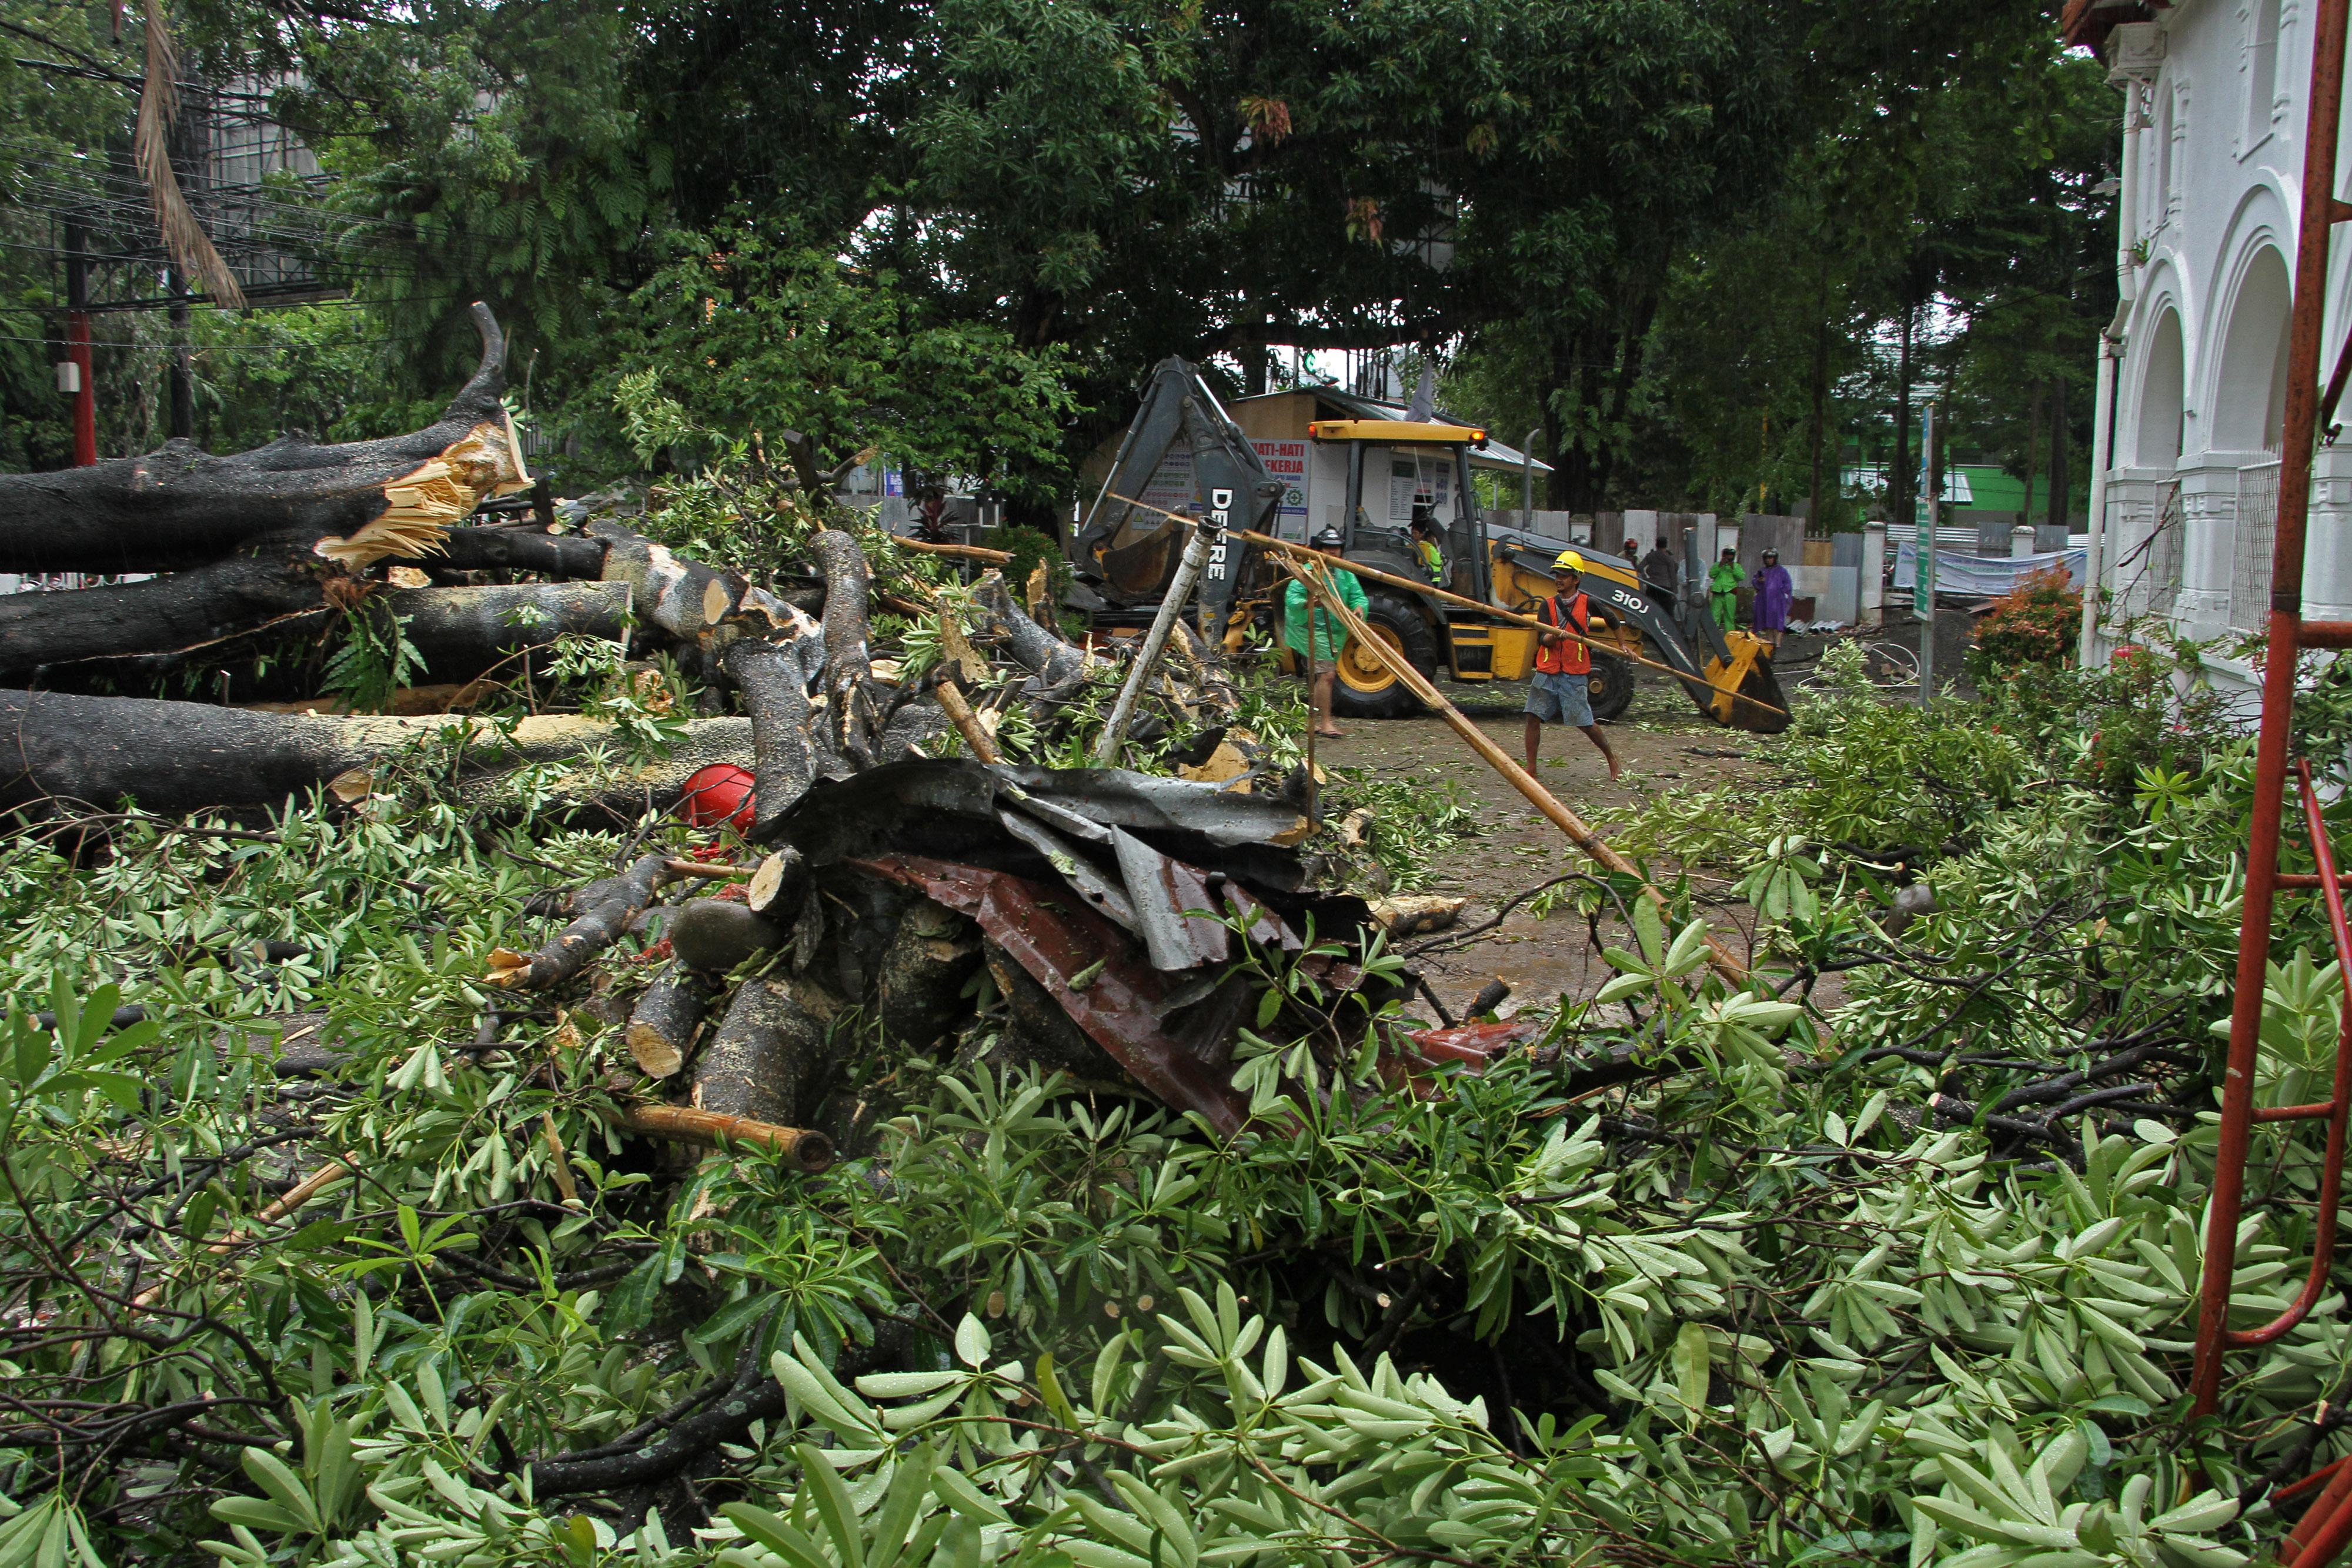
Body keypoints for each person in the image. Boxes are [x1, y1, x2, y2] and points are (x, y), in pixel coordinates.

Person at [1524, 550, 1622, 782]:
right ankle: (1531, 768)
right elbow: (1542, 640)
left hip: (1574, 672)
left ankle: (1611, 757)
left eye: (1565, 576)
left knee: (1585, 723)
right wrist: (1554, 637)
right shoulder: (1547, 606)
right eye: (1557, 575)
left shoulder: (1590, 603)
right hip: (1547, 670)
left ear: (1576, 579)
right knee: (1532, 717)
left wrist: (1623, 645)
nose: (1559, 579)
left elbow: (1613, 619)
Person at [1283, 526, 1367, 738]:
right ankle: (1326, 722)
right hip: (1313, 629)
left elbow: (1358, 596)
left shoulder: (1345, 573)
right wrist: (1308, 603)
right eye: (1328, 548)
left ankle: (1313, 721)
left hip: (1336, 631)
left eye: (1336, 548)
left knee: (1322, 676)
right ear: (1319, 549)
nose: (1332, 552)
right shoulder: (1307, 571)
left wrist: (1359, 608)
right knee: (1327, 675)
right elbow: (1292, 597)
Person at [1753, 547, 1793, 645]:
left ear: (1775, 558)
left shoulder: (1782, 571)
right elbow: (1755, 583)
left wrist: (1780, 593)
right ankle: (1770, 644)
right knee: (1767, 623)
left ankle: (1778, 644)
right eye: (1767, 558)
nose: (1769, 560)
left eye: (1771, 558)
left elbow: (1788, 585)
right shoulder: (1762, 571)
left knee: (1778, 622)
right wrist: (1759, 581)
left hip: (1777, 601)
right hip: (1765, 601)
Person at [1709, 547, 1746, 632]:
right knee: (1715, 615)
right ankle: (1713, 637)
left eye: (1731, 555)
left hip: (1730, 593)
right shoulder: (1718, 565)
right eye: (1727, 555)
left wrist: (1733, 568)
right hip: (1718, 593)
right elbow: (1712, 574)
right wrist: (1720, 565)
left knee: (1730, 616)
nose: (1728, 557)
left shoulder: (1737, 566)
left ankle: (1730, 636)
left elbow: (1741, 577)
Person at [1639, 534, 1679, 609]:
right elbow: (1673, 574)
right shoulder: (1668, 558)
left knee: (1651, 609)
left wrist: (1646, 580)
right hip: (1665, 588)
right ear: (1666, 546)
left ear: (1656, 545)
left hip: (1652, 587)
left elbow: (1640, 568)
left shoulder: (1650, 556)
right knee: (1667, 612)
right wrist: (1674, 591)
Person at [1408, 509, 1445, 586]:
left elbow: (1426, 563)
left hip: (1425, 575)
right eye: (1412, 533)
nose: (1413, 535)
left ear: (1421, 535)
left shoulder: (1426, 547)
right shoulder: (1409, 545)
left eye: (1416, 533)